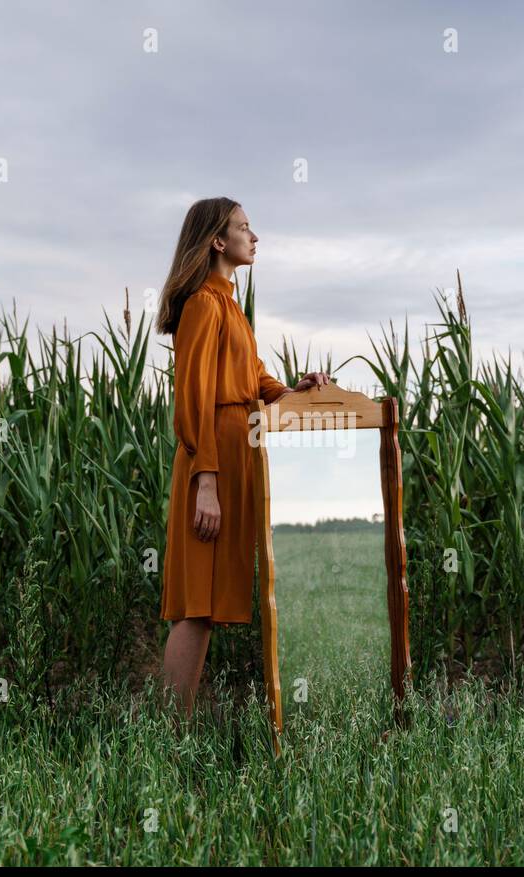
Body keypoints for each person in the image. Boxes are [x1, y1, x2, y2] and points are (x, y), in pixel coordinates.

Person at [155, 197, 330, 717]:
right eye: (244, 228)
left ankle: (171, 734)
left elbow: (253, 378)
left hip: (236, 454)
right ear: (217, 241)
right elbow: (192, 400)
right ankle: (165, 738)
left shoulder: (229, 305)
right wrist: (204, 482)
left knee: (206, 604)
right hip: (210, 461)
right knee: (195, 605)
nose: (255, 238)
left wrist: (292, 392)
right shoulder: (203, 305)